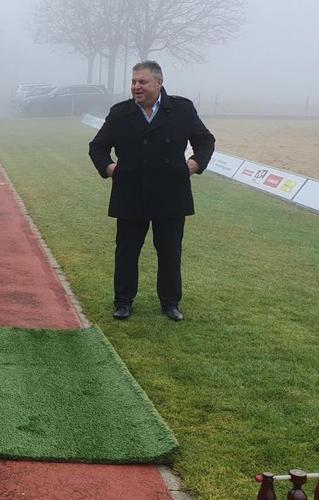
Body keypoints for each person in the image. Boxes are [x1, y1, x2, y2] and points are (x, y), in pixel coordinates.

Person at [88, 61, 215, 322]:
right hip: (130, 194)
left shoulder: (182, 109)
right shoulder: (120, 112)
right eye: (134, 82)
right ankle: (123, 302)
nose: (136, 87)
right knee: (126, 251)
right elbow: (97, 147)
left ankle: (170, 302)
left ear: (159, 83)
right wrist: (111, 169)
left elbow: (205, 140)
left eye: (142, 82)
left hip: (171, 194)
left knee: (169, 251)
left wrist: (195, 164)